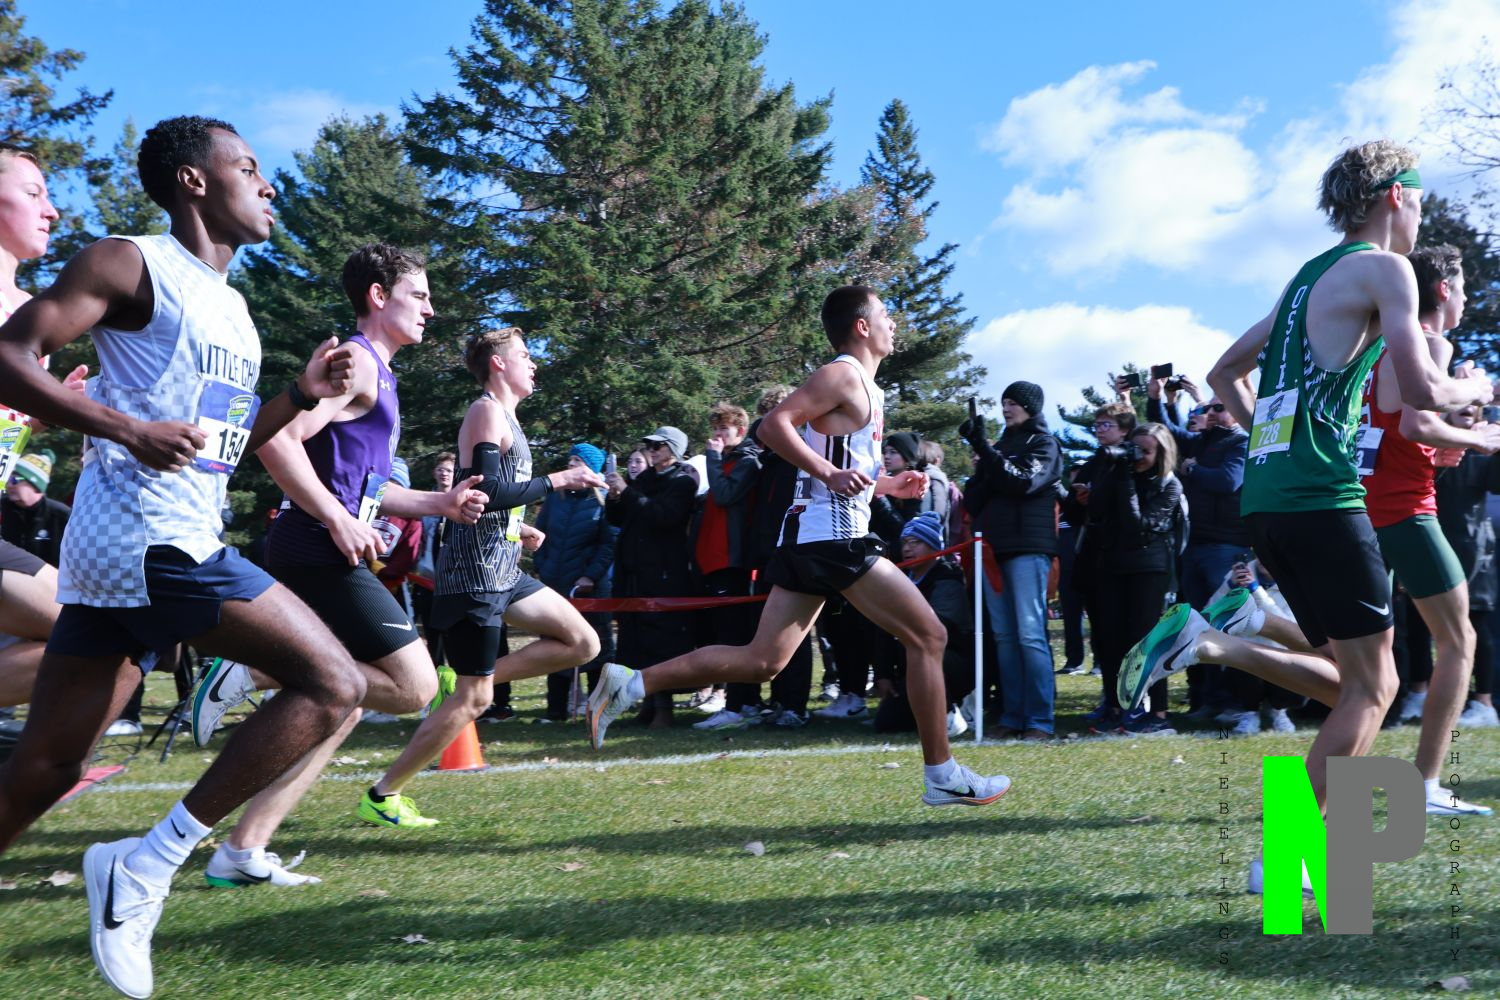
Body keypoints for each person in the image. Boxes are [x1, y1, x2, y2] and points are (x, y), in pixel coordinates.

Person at [0, 115, 366, 998]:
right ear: (195, 181)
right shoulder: (129, 261)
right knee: (334, 683)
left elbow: (218, 450)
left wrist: (297, 395)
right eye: (249, 166)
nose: (268, 184)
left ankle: (136, 866)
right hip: (150, 538)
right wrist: (126, 427)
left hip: (134, 545)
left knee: (47, 766)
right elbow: (9, 355)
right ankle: (147, 865)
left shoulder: (233, 308)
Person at [1121, 141, 1493, 894]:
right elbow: (1422, 392)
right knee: (1373, 689)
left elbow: (1225, 371)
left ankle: (1227, 637)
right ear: (1395, 195)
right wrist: (1478, 390)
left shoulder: (1306, 277)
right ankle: (1281, 859)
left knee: (1352, 682)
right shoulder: (1386, 268)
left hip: (1268, 500)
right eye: (1420, 200)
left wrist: (1274, 444)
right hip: (1324, 499)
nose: (1421, 217)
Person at [588, 285, 1010, 807]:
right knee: (929, 636)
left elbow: (840, 469)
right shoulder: (842, 375)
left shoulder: (869, 389)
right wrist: (830, 473)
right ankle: (942, 774)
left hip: (811, 538)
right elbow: (772, 426)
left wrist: (886, 486)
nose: (893, 323)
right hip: (835, 539)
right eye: (885, 314)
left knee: (762, 660)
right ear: (862, 326)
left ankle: (629, 684)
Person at [188, 242, 489, 864]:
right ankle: (251, 672)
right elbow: (276, 442)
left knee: (340, 707)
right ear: (378, 297)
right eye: (419, 296)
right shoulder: (356, 361)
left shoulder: (383, 375)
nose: (430, 309)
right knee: (413, 686)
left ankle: (243, 850)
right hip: (312, 548)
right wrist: (336, 518)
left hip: (327, 547)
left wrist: (442, 503)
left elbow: (370, 488)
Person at [359, 327, 604, 823]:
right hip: (474, 575)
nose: (533, 363)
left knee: (583, 642)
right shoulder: (486, 410)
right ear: (498, 363)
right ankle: (382, 796)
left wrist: (519, 528)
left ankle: (461, 678)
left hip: (503, 568)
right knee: (474, 701)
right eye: (524, 355)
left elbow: (488, 500)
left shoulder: (508, 417)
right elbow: (487, 490)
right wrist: (560, 479)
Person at [1355, 244, 1499, 814]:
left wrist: (1446, 442)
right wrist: (1477, 437)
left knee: (1363, 665)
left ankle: (1245, 628)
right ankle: (1425, 786)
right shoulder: (1430, 341)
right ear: (1443, 290)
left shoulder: (1381, 345)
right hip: (1405, 510)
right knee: (1459, 641)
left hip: (1368, 506)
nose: (1465, 299)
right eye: (1462, 288)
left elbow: (1398, 428)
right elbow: (1417, 421)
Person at [1147, 375, 1254, 722]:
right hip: (1196, 547)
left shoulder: (1241, 442)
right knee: (1200, 626)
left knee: (1230, 625)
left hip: (1227, 547)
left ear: (1236, 411)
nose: (1210, 413)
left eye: (1219, 408)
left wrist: (1193, 468)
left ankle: (1237, 702)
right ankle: (1209, 699)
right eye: (1208, 408)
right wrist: (1156, 398)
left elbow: (1228, 481)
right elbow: (1166, 433)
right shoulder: (1203, 440)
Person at [959, 381, 1061, 739]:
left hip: (1028, 548)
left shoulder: (1045, 444)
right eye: (1003, 403)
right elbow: (973, 499)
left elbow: (1022, 483)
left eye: (1013, 402)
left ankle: (1040, 720)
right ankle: (1013, 716)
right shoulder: (999, 448)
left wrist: (987, 453)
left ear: (1031, 407)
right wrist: (985, 454)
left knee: (1030, 635)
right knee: (1004, 636)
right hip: (993, 549)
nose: (1006, 409)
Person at [605, 425, 698, 729]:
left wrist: (627, 492)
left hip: (664, 575)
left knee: (662, 641)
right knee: (634, 640)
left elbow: (664, 517)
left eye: (658, 446)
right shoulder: (644, 479)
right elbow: (617, 518)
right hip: (633, 574)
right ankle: (646, 703)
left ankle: (664, 707)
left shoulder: (682, 482)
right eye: (649, 445)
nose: (651, 450)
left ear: (673, 450)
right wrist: (614, 497)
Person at [690, 402, 766, 730]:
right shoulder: (727, 460)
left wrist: (712, 457)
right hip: (714, 560)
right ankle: (742, 703)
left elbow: (723, 495)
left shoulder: (747, 460)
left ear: (741, 430)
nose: (718, 435)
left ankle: (738, 705)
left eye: (724, 428)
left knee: (735, 637)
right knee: (725, 633)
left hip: (733, 561)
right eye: (715, 429)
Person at [532, 442, 617, 721]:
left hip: (589, 589)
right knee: (555, 645)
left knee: (596, 649)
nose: (570, 466)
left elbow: (608, 544)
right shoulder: (555, 499)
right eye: (570, 461)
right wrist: (543, 567)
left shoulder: (602, 502)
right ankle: (555, 710)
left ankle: (597, 709)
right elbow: (539, 535)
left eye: (577, 462)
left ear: (590, 469)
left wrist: (590, 575)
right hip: (554, 585)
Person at [872, 512, 974, 734]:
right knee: (886, 722)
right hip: (914, 664)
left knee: (920, 641)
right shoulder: (901, 579)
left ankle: (952, 709)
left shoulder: (948, 577)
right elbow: (884, 628)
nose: (908, 549)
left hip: (950, 663)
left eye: (916, 542)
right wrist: (883, 674)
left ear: (934, 546)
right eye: (905, 542)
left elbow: (935, 629)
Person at [1435, 405, 1500, 728]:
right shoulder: (1428, 443)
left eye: (1475, 402)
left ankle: (1483, 703)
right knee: (1422, 626)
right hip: (1430, 543)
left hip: (1473, 551)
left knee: (1475, 623)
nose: (1469, 406)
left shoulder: (1483, 451)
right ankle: (1420, 693)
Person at [2, 449, 69, 567]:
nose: (9, 485)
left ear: (35, 485)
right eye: (8, 479)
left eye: (15, 480)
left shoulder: (62, 517)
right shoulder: (2, 508)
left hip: (50, 578)